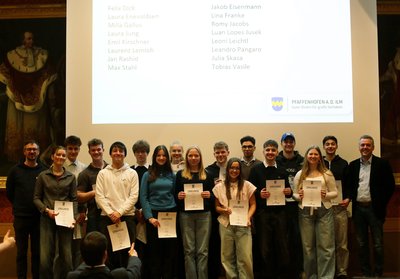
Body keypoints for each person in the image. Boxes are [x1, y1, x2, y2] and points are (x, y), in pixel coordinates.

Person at [0, 31, 56, 162]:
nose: (30, 42)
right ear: (23, 40)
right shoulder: (12, 56)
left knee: (36, 125)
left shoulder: (42, 55)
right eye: (28, 39)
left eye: (32, 39)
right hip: (16, 101)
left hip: (38, 105)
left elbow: (49, 72)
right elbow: (6, 72)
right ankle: (15, 155)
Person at [345, 135, 395, 277]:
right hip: (358, 210)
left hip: (375, 209)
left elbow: (390, 186)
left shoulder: (382, 164)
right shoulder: (353, 165)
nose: (365, 147)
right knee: (361, 244)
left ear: (373, 147)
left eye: (368, 145)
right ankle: (366, 273)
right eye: (362, 145)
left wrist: (381, 202)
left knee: (378, 244)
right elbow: (349, 186)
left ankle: (378, 273)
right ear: (359, 147)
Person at [248, 140, 292, 279]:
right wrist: (259, 195)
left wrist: (288, 191)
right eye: (268, 150)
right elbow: (250, 192)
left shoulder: (282, 170)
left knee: (282, 245)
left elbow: (289, 191)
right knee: (264, 247)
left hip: (280, 213)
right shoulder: (256, 169)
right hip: (263, 213)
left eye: (273, 150)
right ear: (263, 151)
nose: (270, 153)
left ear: (277, 152)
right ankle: (266, 274)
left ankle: (281, 275)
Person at [33, 145, 78, 279]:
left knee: (67, 257)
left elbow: (74, 199)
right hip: (47, 219)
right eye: (58, 154)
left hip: (65, 221)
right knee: (45, 257)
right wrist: (46, 210)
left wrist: (73, 217)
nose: (61, 157)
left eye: (63, 155)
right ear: (52, 156)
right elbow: (36, 198)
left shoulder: (71, 177)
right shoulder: (43, 176)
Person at [293, 145, 337, 279]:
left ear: (320, 157)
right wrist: (298, 196)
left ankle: (326, 276)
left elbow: (335, 192)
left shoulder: (327, 173)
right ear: (307, 156)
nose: (313, 156)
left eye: (316, 154)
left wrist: (326, 195)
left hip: (324, 211)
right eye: (310, 154)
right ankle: (311, 276)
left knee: (326, 247)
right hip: (305, 212)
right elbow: (294, 194)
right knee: (308, 247)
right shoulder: (300, 174)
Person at [6, 140, 46, 279]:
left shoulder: (44, 170)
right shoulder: (15, 171)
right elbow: (10, 193)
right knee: (21, 253)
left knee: (37, 253)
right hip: (21, 218)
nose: (32, 152)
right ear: (24, 152)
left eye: (34, 149)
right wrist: (20, 205)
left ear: (38, 152)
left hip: (39, 218)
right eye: (29, 149)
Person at [95, 141, 139, 269]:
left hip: (127, 218)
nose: (118, 153)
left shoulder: (132, 173)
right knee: (108, 255)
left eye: (121, 151)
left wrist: (119, 212)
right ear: (110, 154)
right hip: (107, 219)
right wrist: (111, 213)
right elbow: (99, 196)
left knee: (127, 254)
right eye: (115, 150)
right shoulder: (103, 173)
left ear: (125, 154)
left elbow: (134, 196)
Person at [213, 157, 256, 279]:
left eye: (237, 168)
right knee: (227, 257)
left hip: (243, 224)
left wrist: (248, 217)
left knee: (245, 257)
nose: (234, 170)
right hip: (226, 224)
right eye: (232, 168)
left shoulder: (247, 185)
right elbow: (216, 207)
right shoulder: (219, 186)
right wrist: (224, 210)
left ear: (240, 170)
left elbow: (253, 204)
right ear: (228, 169)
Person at [140, 145, 177, 279]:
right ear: (154, 157)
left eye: (164, 155)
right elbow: (143, 197)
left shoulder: (172, 175)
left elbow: (173, 194)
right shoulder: (147, 174)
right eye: (158, 155)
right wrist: (149, 217)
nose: (161, 158)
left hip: (170, 215)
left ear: (167, 157)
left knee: (169, 253)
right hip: (154, 217)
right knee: (155, 253)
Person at [176, 146, 214, 279]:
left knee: (203, 251)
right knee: (189, 251)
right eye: (190, 155)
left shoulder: (208, 174)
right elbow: (175, 195)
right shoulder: (180, 175)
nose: (193, 158)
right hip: (186, 216)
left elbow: (215, 196)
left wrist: (210, 195)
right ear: (186, 157)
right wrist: (179, 196)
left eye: (196, 155)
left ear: (200, 157)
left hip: (204, 215)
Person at [276, 132, 304, 278]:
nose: (288, 144)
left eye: (291, 141)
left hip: (299, 206)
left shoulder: (302, 161)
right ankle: (283, 270)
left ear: (294, 143)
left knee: (298, 238)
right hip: (281, 207)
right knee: (282, 239)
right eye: (285, 142)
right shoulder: (276, 160)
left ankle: (298, 269)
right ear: (282, 144)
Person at [322, 135, 349, 279]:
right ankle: (329, 272)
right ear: (324, 147)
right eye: (327, 144)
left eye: (333, 144)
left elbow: (349, 185)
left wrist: (348, 199)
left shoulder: (344, 164)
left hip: (340, 208)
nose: (330, 146)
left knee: (342, 244)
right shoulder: (319, 164)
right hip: (324, 208)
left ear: (336, 146)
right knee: (327, 244)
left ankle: (342, 271)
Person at [66, 231, 141, 279]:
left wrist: (88, 255)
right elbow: (134, 272)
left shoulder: (73, 276)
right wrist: (133, 257)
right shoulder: (118, 275)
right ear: (105, 254)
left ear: (82, 256)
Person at [205, 141, 230, 279]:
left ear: (228, 152)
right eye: (217, 152)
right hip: (215, 213)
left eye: (223, 152)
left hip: (233, 212)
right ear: (214, 154)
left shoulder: (234, 167)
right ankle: (215, 274)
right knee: (214, 244)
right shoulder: (208, 171)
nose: (220, 155)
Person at [63, 135, 87, 269]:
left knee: (77, 249)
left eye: (76, 149)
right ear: (66, 149)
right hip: (61, 213)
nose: (73, 151)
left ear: (79, 150)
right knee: (62, 249)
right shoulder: (58, 165)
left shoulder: (83, 168)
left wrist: (82, 211)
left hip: (78, 214)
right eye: (70, 148)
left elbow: (83, 192)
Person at [77, 138, 108, 233]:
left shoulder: (111, 170)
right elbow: (79, 196)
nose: (96, 152)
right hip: (94, 216)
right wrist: (95, 192)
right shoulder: (84, 174)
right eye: (93, 150)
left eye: (99, 149)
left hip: (111, 215)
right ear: (89, 152)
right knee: (95, 245)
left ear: (103, 150)